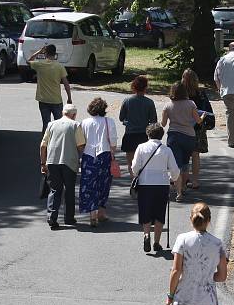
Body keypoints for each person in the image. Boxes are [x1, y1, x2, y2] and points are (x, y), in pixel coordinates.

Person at [132, 123, 179, 252]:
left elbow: (135, 167)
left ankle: (146, 234)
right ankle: (157, 242)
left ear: (148, 134)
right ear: (161, 135)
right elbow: (175, 169)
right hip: (161, 184)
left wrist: (137, 174)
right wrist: (172, 179)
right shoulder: (166, 150)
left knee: (145, 210)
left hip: (145, 184)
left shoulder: (141, 147)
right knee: (159, 213)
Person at [40, 104, 86, 228]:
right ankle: (69, 218)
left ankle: (52, 217)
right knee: (69, 190)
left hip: (52, 161)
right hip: (69, 162)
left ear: (62, 113)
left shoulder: (51, 125)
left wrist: (43, 163)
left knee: (54, 190)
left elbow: (43, 146)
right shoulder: (75, 125)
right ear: (74, 115)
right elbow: (80, 146)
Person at [161, 82, 202, 202]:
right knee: (185, 163)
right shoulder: (191, 104)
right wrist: (202, 117)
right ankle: (183, 187)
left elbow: (163, 124)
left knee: (176, 164)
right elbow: (198, 121)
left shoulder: (168, 105)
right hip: (189, 136)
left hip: (174, 136)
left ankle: (178, 192)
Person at [79, 97, 118, 227]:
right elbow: (113, 141)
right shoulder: (109, 121)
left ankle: (92, 215)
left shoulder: (84, 122)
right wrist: (113, 152)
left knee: (89, 185)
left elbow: (81, 140)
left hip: (88, 155)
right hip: (104, 155)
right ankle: (101, 212)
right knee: (104, 184)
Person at [28, 44, 73, 133]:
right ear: (55, 54)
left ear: (45, 53)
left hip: (43, 99)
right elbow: (66, 84)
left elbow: (29, 61)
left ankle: (45, 144)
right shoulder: (59, 66)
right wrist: (69, 97)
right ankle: (58, 142)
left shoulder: (40, 64)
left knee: (46, 123)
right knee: (59, 123)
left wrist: (39, 52)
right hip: (56, 100)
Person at [119, 75, 157, 177]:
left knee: (131, 163)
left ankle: (133, 180)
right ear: (145, 88)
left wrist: (127, 121)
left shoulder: (127, 101)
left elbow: (121, 117)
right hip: (143, 135)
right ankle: (142, 181)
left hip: (130, 134)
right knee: (143, 162)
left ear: (134, 87)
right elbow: (154, 121)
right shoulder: (149, 102)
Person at [181, 68, 212, 190]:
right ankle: (195, 181)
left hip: (183, 125)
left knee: (183, 155)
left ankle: (184, 178)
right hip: (198, 126)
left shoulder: (180, 92)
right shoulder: (200, 93)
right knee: (195, 155)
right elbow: (207, 110)